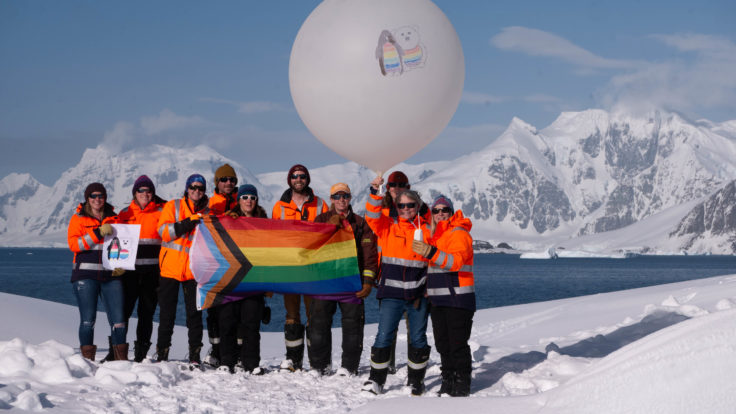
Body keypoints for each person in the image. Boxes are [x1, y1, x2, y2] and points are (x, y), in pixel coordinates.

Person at [362, 188, 432, 396]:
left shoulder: (428, 229)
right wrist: (375, 193)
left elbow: (436, 260)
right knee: (383, 336)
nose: (406, 209)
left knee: (418, 339)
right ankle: (376, 380)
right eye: (401, 205)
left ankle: (416, 381)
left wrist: (429, 289)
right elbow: (371, 216)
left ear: (418, 207)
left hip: (417, 296)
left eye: (410, 205)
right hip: (391, 294)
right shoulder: (387, 226)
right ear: (396, 207)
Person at [308, 183, 378, 376]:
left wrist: (368, 281)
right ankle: (320, 365)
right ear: (331, 199)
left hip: (351, 281)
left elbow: (369, 254)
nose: (341, 200)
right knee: (318, 323)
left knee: (353, 324)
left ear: (350, 198)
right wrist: (327, 228)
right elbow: (310, 248)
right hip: (325, 281)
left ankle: (349, 366)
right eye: (337, 196)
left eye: (345, 196)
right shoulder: (320, 219)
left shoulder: (360, 222)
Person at [416, 195, 475, 396]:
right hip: (439, 299)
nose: (440, 213)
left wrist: (431, 252)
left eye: (445, 210)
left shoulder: (459, 233)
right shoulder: (438, 235)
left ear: (451, 212)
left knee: (457, 344)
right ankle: (448, 378)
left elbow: (455, 262)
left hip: (458, 298)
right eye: (436, 210)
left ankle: (462, 383)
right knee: (443, 344)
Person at [271, 164, 328, 371]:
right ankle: (293, 360)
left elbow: (329, 232)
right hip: (290, 268)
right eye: (294, 176)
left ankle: (316, 361)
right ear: (289, 180)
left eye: (302, 176)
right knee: (292, 314)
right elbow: (273, 237)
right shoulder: (279, 206)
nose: (298, 179)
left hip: (313, 268)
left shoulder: (321, 204)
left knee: (314, 314)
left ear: (307, 179)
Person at [154, 174, 209, 367]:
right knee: (166, 315)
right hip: (170, 269)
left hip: (194, 271)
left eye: (200, 188)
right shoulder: (173, 206)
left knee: (194, 316)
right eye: (193, 187)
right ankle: (162, 354)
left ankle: (195, 355)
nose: (196, 191)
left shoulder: (208, 212)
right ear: (187, 189)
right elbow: (162, 232)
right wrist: (187, 223)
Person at [67, 183, 126, 361]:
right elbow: (74, 245)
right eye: (93, 196)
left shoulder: (115, 218)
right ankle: (87, 362)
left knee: (119, 321)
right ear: (87, 198)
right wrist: (97, 233)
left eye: (100, 196)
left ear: (105, 197)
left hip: (111, 276)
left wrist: (121, 265)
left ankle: (120, 362)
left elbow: (124, 244)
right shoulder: (78, 219)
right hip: (85, 276)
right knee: (87, 321)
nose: (97, 199)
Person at [215, 183, 269, 374]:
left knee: (251, 323)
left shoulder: (264, 222)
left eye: (252, 198)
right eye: (245, 197)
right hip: (232, 279)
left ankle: (251, 363)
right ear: (239, 200)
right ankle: (226, 361)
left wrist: (269, 282)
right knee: (227, 321)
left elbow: (270, 251)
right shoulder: (229, 219)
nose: (249, 201)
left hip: (254, 280)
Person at [115, 175, 166, 362]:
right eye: (141, 190)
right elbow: (115, 243)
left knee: (147, 313)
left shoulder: (162, 211)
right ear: (134, 193)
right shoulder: (124, 214)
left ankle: (141, 354)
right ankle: (117, 352)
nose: (145, 193)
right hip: (129, 273)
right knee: (124, 312)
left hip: (153, 273)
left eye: (149, 190)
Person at [204, 163, 239, 367]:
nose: (228, 183)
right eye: (224, 179)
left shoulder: (242, 200)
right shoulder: (209, 204)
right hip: (215, 263)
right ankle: (216, 350)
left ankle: (235, 351)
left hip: (238, 263)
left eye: (232, 180)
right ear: (217, 182)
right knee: (214, 310)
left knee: (236, 310)